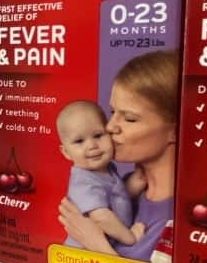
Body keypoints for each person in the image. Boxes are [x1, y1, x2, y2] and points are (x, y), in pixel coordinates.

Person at [58, 50, 179, 261]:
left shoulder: (173, 219)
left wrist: (96, 244)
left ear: (175, 131)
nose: (110, 126)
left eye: (130, 119)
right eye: (113, 112)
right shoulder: (128, 187)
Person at [56, 100, 144, 248]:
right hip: (83, 254)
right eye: (79, 141)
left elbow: (113, 200)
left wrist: (130, 188)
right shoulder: (82, 183)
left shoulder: (107, 168)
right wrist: (130, 238)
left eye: (98, 135)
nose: (92, 146)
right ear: (66, 152)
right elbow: (102, 218)